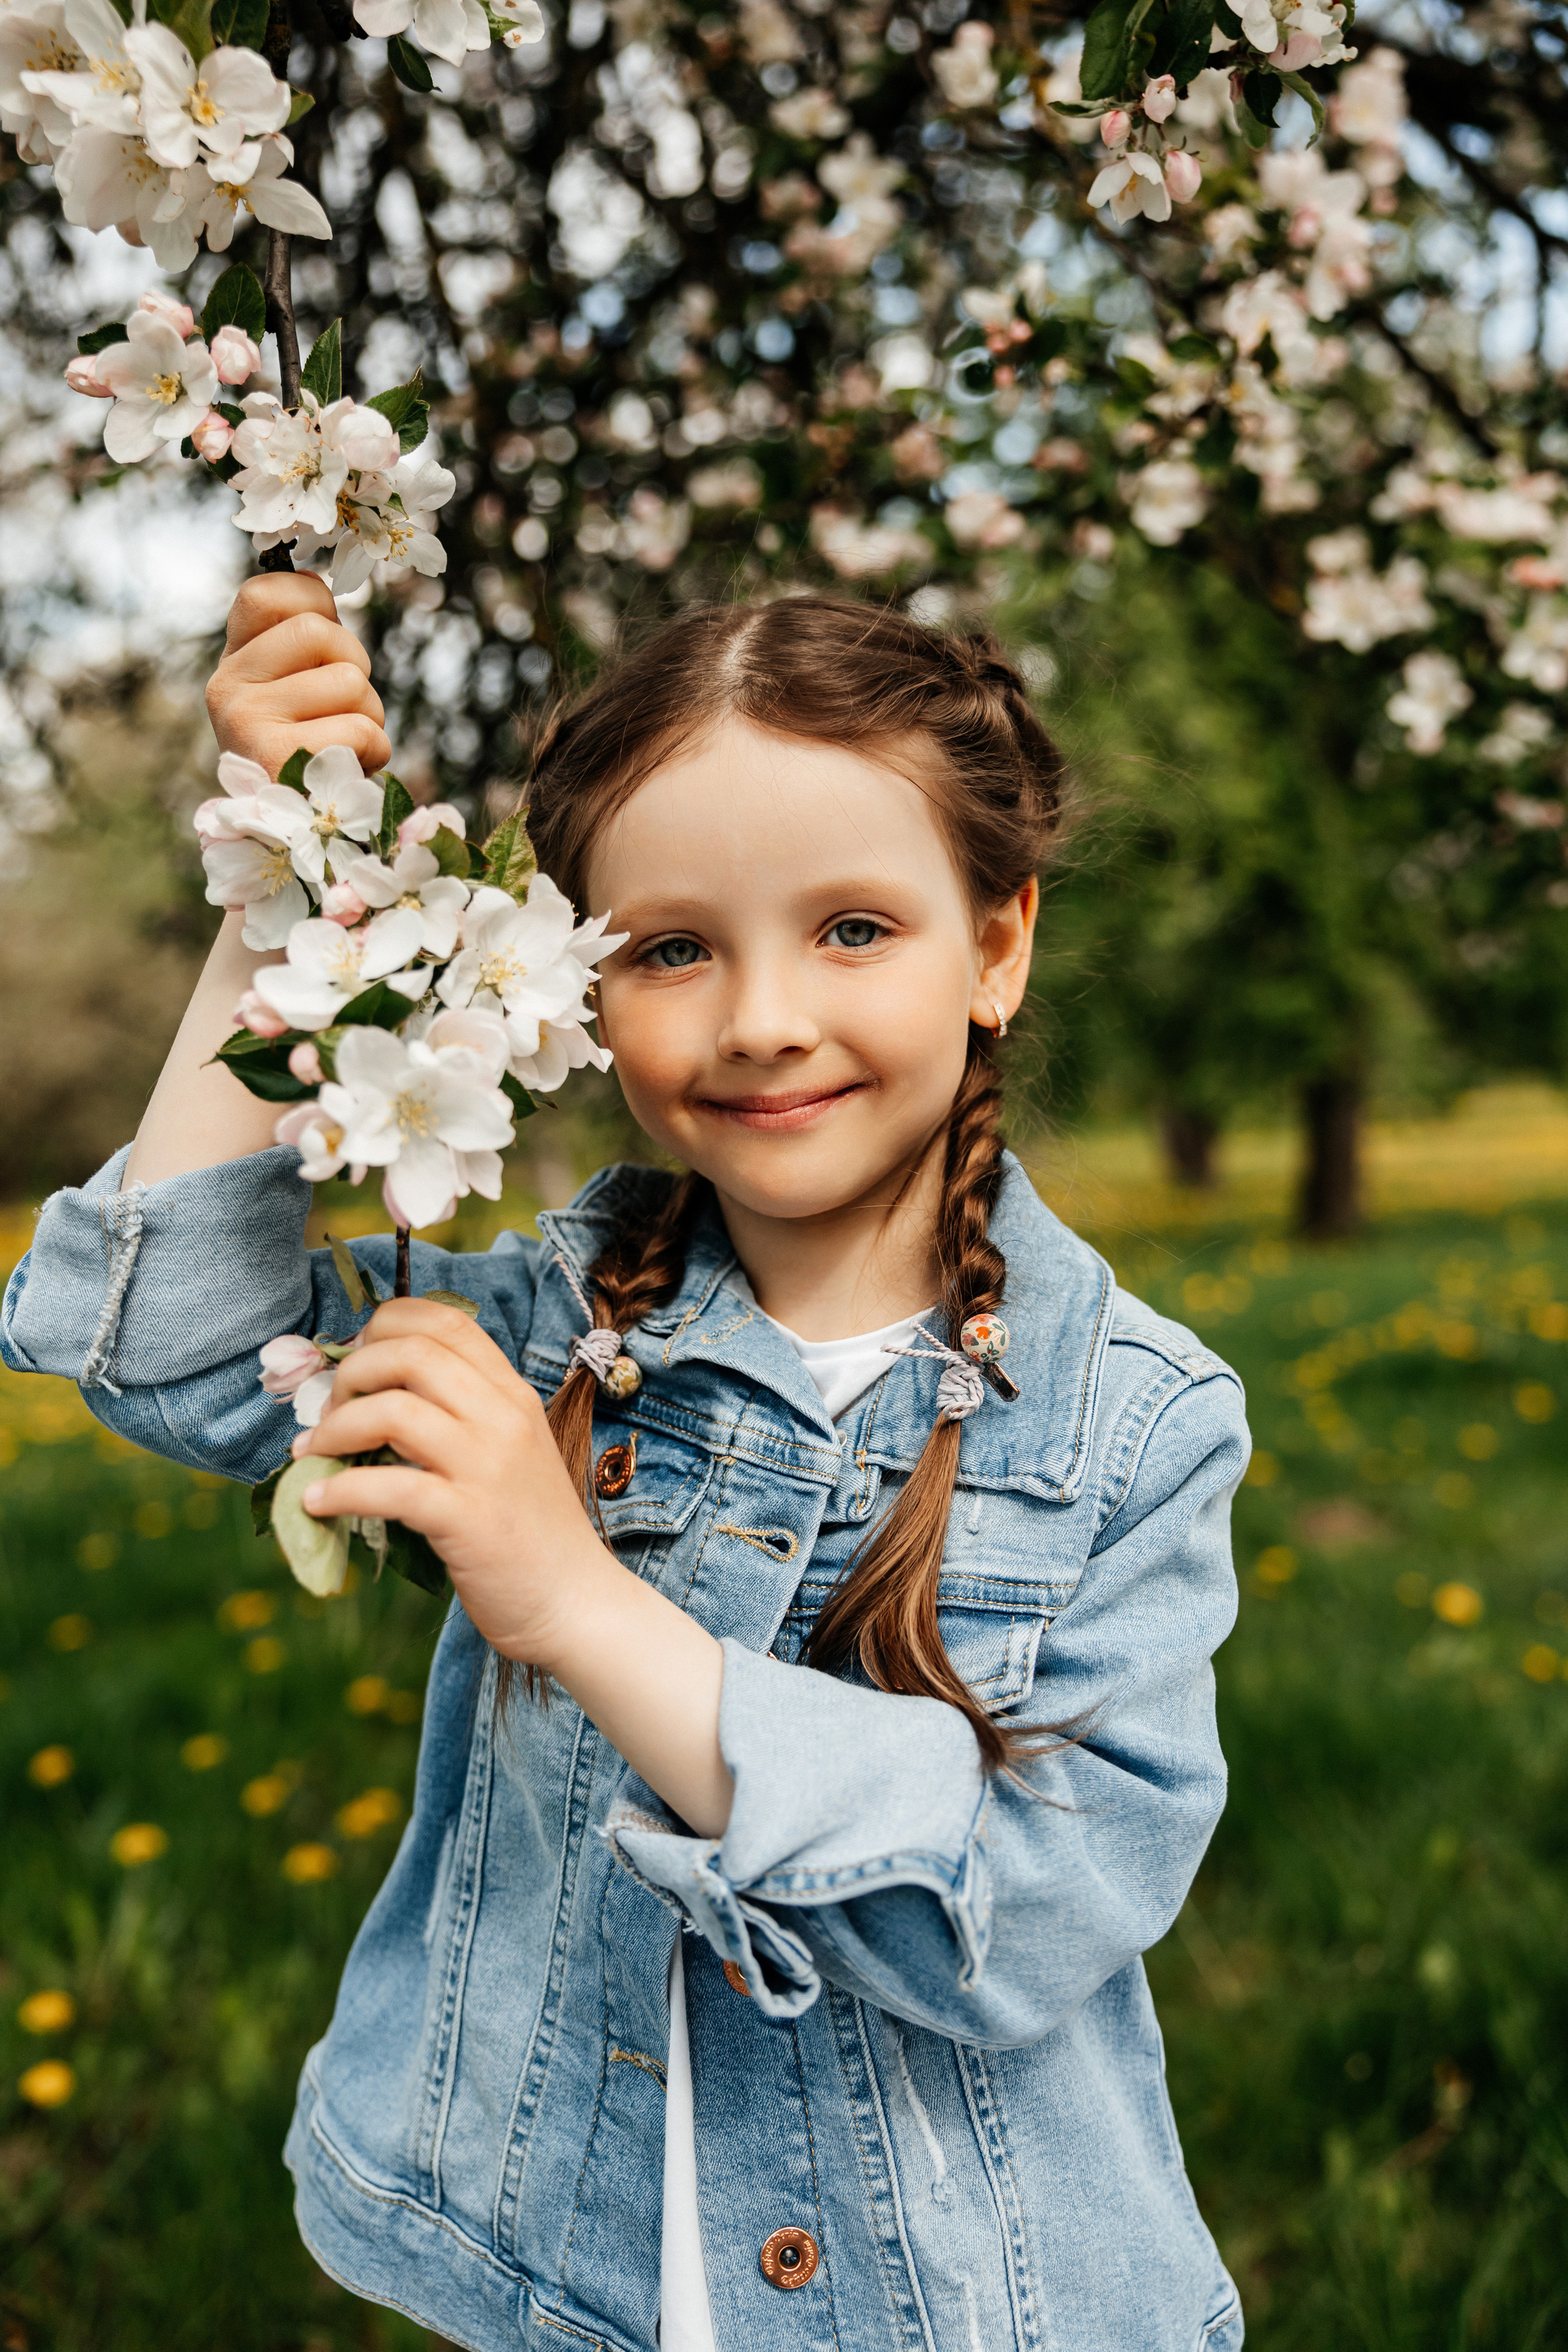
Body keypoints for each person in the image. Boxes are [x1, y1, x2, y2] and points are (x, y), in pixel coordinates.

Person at [2, 581, 1250, 2352]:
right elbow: (174, 1350)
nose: (760, 1018)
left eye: (854, 929)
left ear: (998, 947)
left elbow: (1044, 1895)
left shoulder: (1132, 1419)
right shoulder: (543, 1330)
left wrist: (577, 1602)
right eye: (673, 948)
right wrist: (278, 881)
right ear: (581, 985)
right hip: (575, 2281)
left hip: (967, 2304)